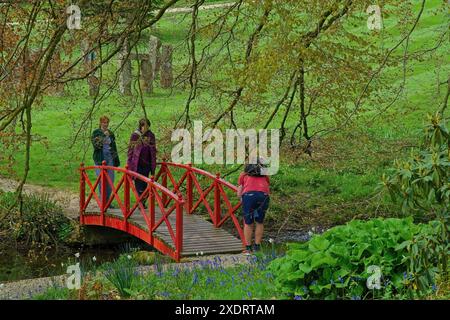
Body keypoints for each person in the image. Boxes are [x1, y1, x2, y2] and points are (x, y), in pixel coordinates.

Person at [237, 159, 270, 255]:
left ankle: (248, 248)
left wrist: (241, 197)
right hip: (263, 196)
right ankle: (257, 246)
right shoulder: (265, 175)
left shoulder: (243, 175)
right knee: (260, 222)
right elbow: (268, 188)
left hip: (249, 197)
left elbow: (239, 193)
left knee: (248, 223)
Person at [91, 116, 120, 206]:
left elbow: (114, 147)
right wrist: (104, 136)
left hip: (110, 158)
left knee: (110, 180)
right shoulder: (96, 132)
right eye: (104, 122)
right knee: (102, 180)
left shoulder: (111, 133)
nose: (106, 124)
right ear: (100, 123)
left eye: (107, 122)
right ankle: (102, 202)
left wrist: (116, 160)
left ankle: (107, 202)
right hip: (100, 159)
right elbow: (96, 146)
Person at [127, 118, 157, 199]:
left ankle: (142, 202)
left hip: (147, 164)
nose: (145, 128)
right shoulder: (135, 136)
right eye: (144, 126)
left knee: (145, 184)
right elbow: (130, 151)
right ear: (140, 126)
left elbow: (153, 151)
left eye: (147, 126)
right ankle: (141, 204)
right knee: (139, 185)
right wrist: (129, 164)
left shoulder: (151, 135)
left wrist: (153, 165)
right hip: (137, 164)